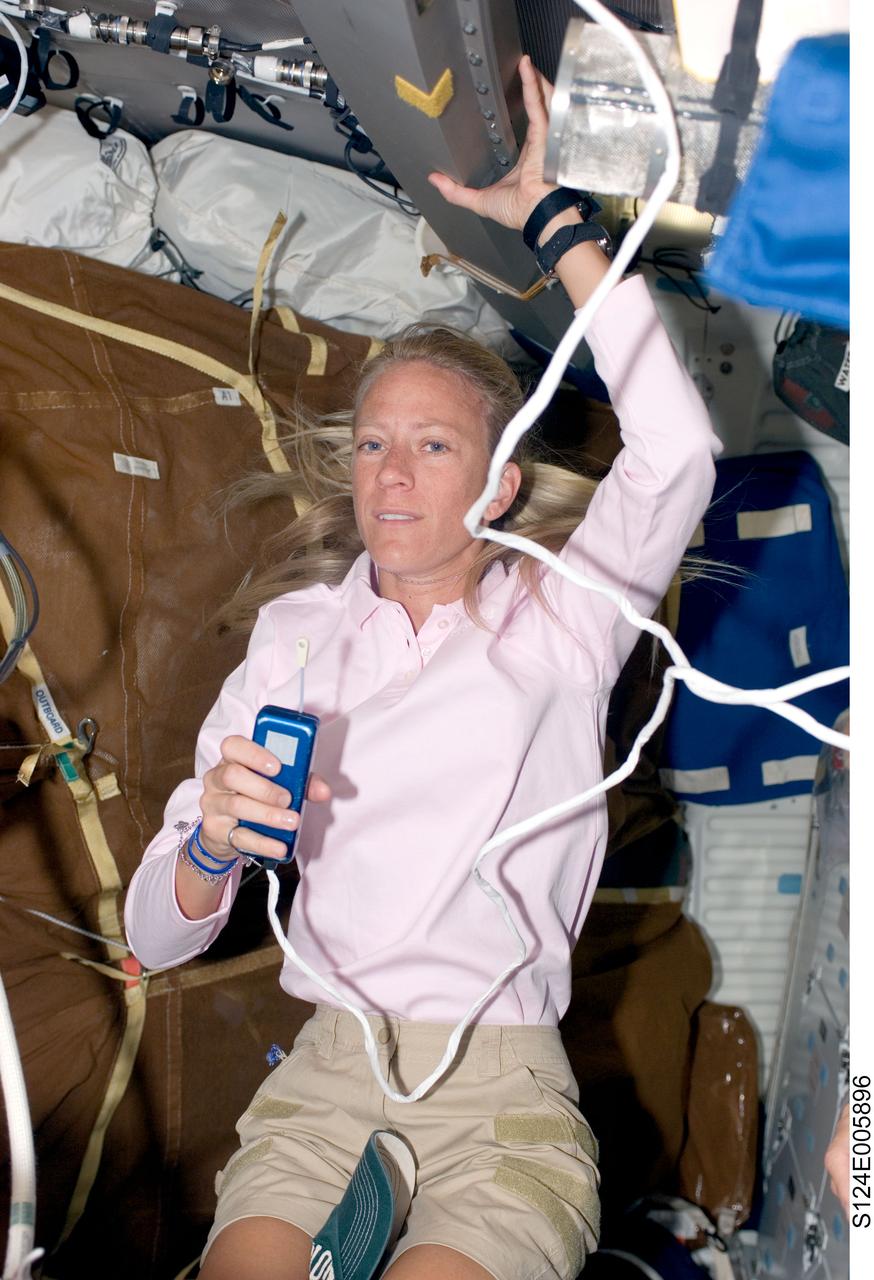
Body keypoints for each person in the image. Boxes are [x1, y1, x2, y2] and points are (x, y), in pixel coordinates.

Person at [124, 56, 721, 1280]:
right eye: (375, 443)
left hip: (497, 1098)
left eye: (433, 443)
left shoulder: (561, 622)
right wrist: (210, 848)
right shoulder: (293, 640)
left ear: (496, 484)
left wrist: (557, 225)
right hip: (331, 1070)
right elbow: (156, 936)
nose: (391, 471)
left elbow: (677, 448)